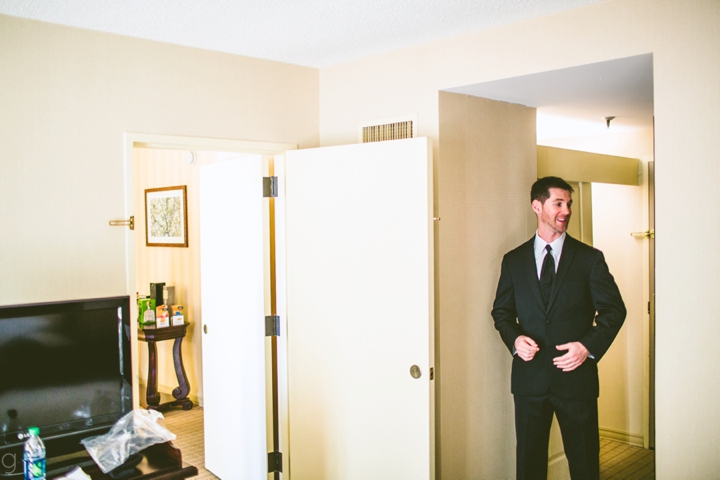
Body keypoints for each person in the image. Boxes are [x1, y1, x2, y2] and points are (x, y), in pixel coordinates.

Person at [491, 176, 626, 480]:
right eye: (559, 203)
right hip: (530, 380)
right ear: (537, 206)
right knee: (529, 463)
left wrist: (587, 346)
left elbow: (614, 310)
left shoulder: (590, 259)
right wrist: (515, 339)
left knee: (585, 463)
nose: (566, 210)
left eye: (569, 204)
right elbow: (501, 312)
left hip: (576, 380)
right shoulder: (513, 261)